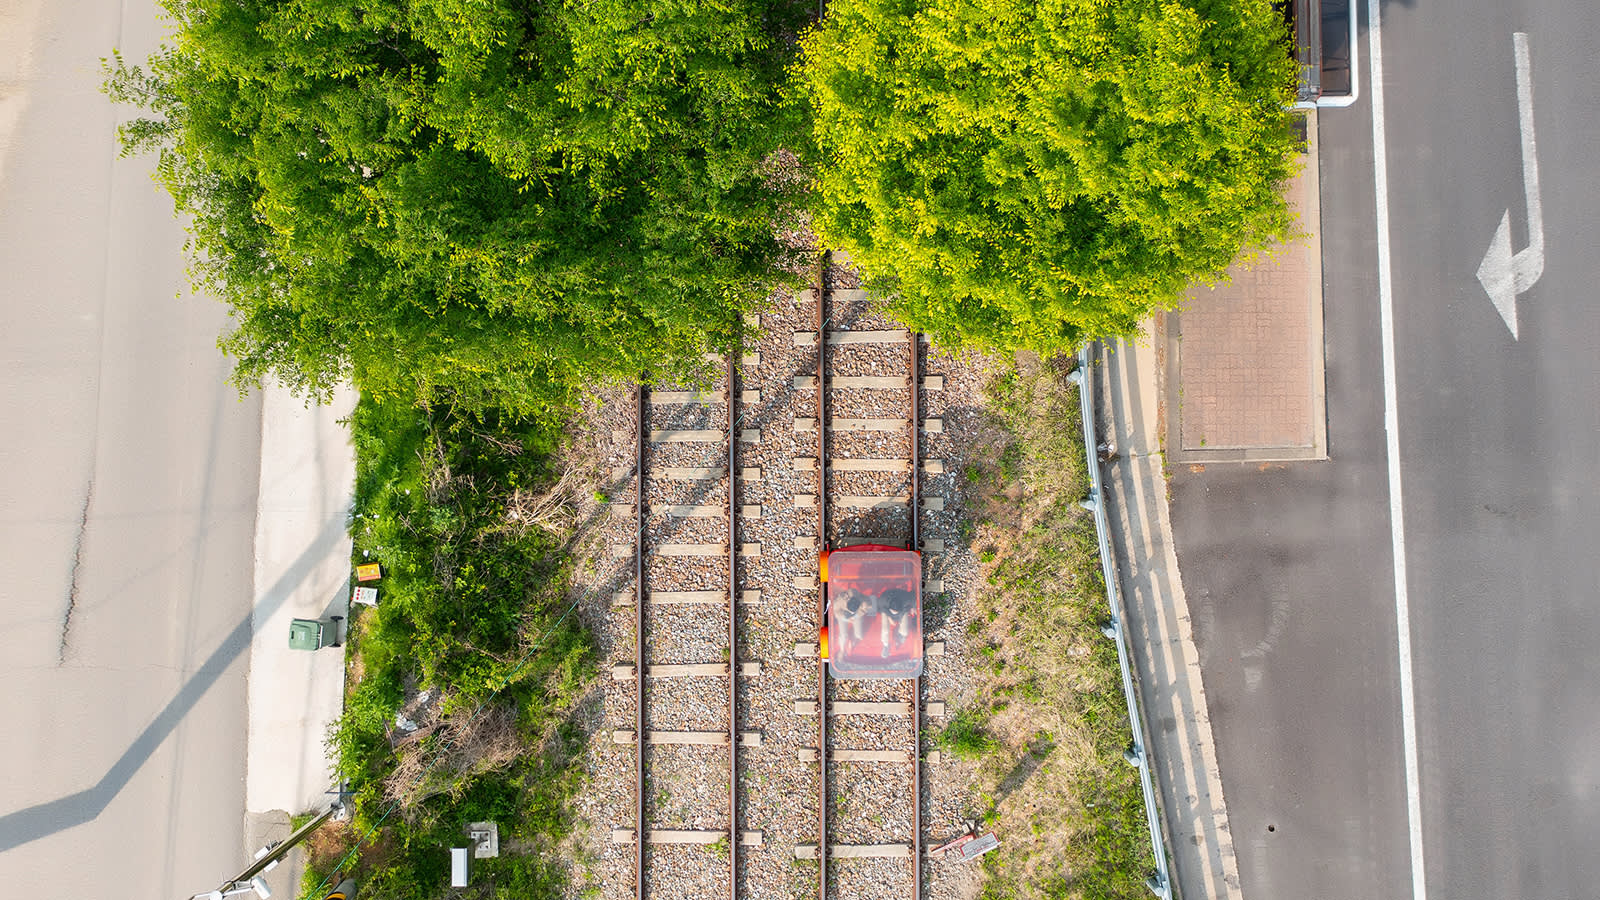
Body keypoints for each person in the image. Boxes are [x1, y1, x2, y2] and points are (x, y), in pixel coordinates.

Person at [878, 586, 916, 656]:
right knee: (885, 629)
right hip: (886, 610)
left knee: (905, 631)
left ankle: (901, 635)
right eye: (893, 611)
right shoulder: (883, 600)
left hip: (902, 610)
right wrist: (889, 618)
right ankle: (885, 644)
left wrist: (913, 607)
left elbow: (913, 596)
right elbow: (882, 608)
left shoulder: (906, 599)